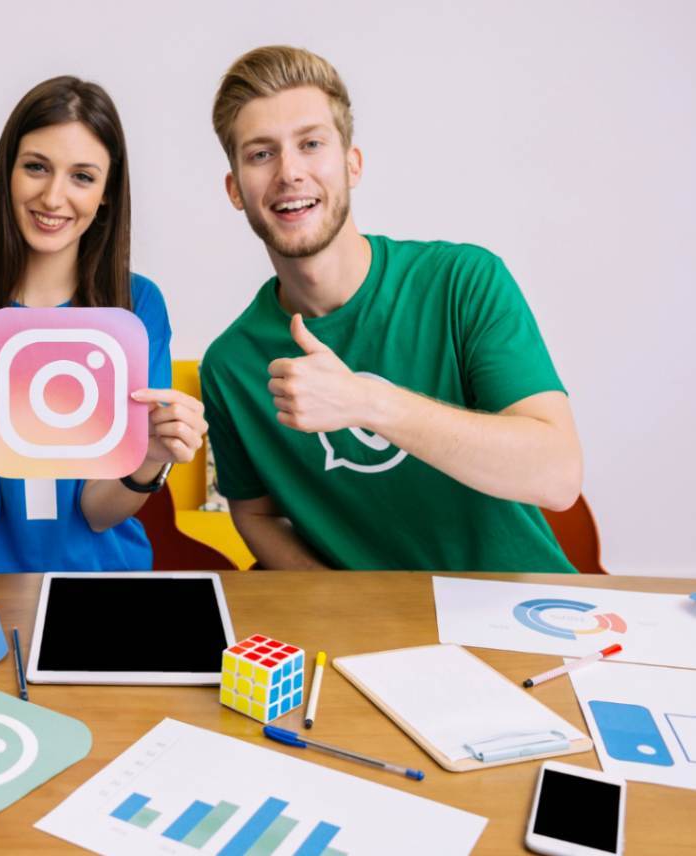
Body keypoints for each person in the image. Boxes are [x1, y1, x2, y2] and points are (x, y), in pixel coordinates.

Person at [199, 46, 582, 572]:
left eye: (311, 144)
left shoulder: (463, 281)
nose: (289, 172)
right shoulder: (230, 365)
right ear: (235, 190)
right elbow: (256, 516)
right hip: (369, 644)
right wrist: (345, 611)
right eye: (261, 154)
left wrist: (368, 402)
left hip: (524, 615)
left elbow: (557, 475)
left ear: (352, 165)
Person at [0, 76, 207, 572]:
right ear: (8, 172)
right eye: (36, 168)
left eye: (82, 177)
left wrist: (151, 455)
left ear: (107, 193)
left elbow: (99, 510)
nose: (52, 196)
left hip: (105, 583)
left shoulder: (138, 307)